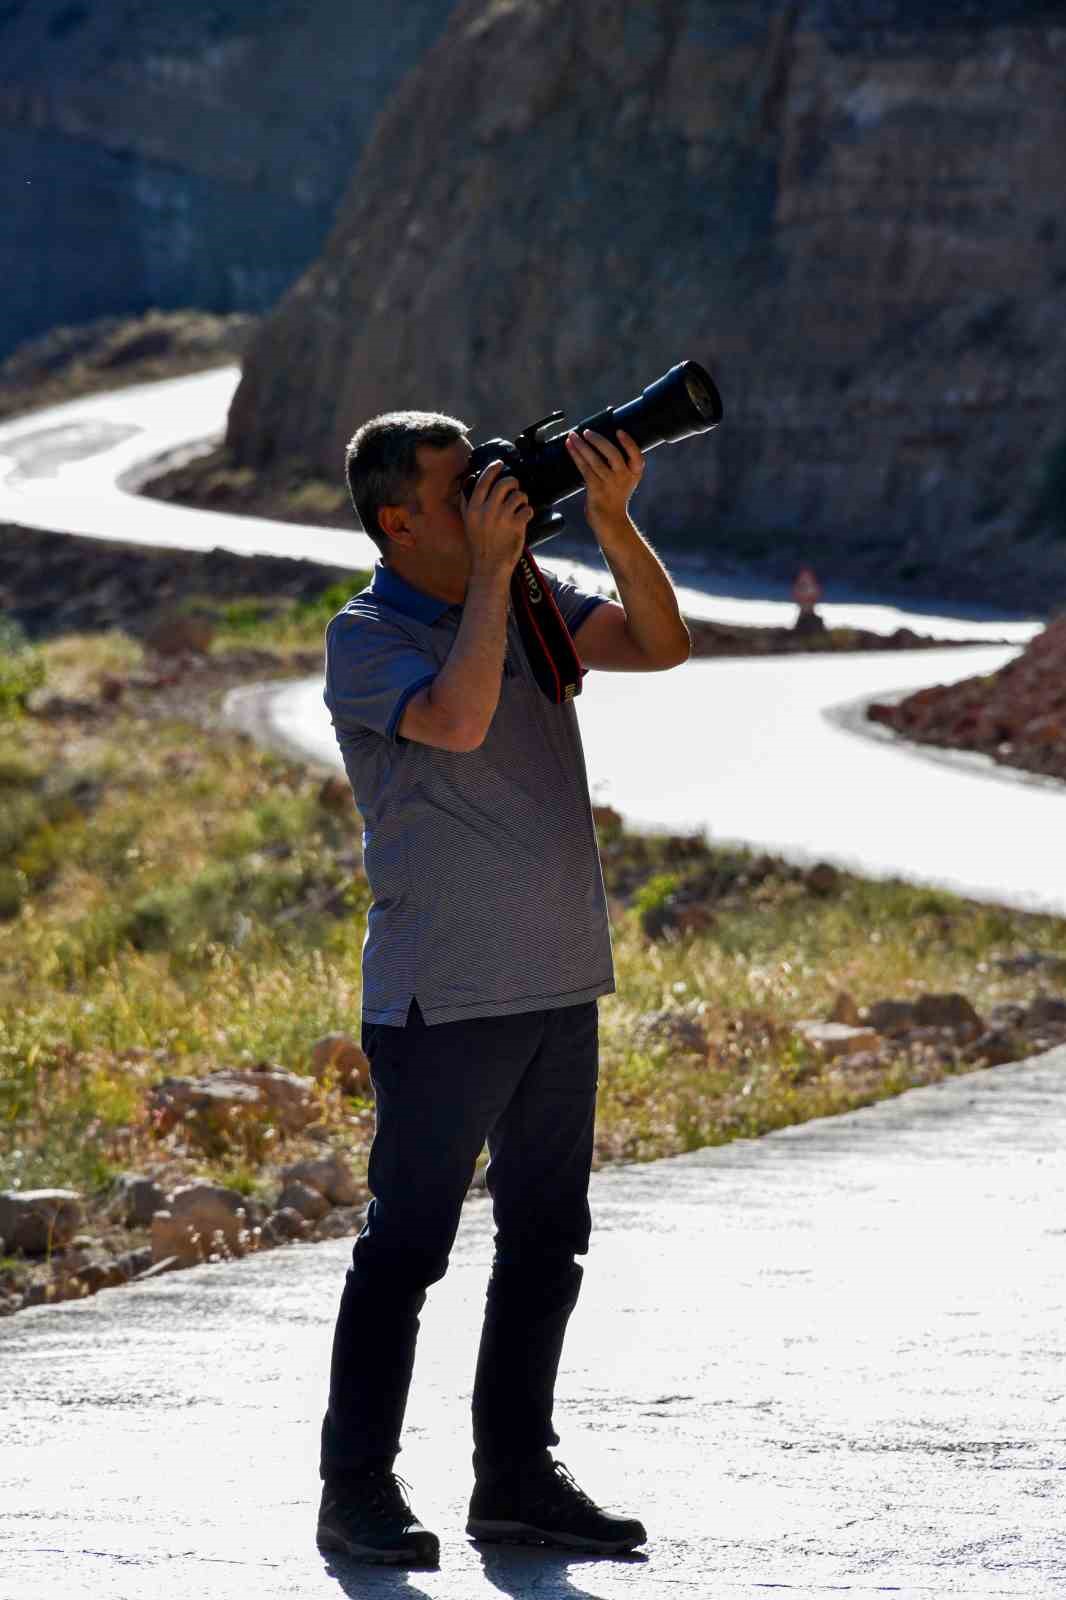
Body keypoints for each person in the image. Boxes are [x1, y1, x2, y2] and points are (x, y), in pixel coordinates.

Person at [315, 407, 691, 1566]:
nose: (488, 493)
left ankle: (516, 1478)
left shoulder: (524, 594)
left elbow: (662, 643)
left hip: (553, 980)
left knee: (545, 1241)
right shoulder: (366, 634)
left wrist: (615, 522)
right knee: (409, 1246)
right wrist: (492, 574)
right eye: (457, 486)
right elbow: (462, 717)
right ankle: (357, 1490)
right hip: (441, 997)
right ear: (399, 518)